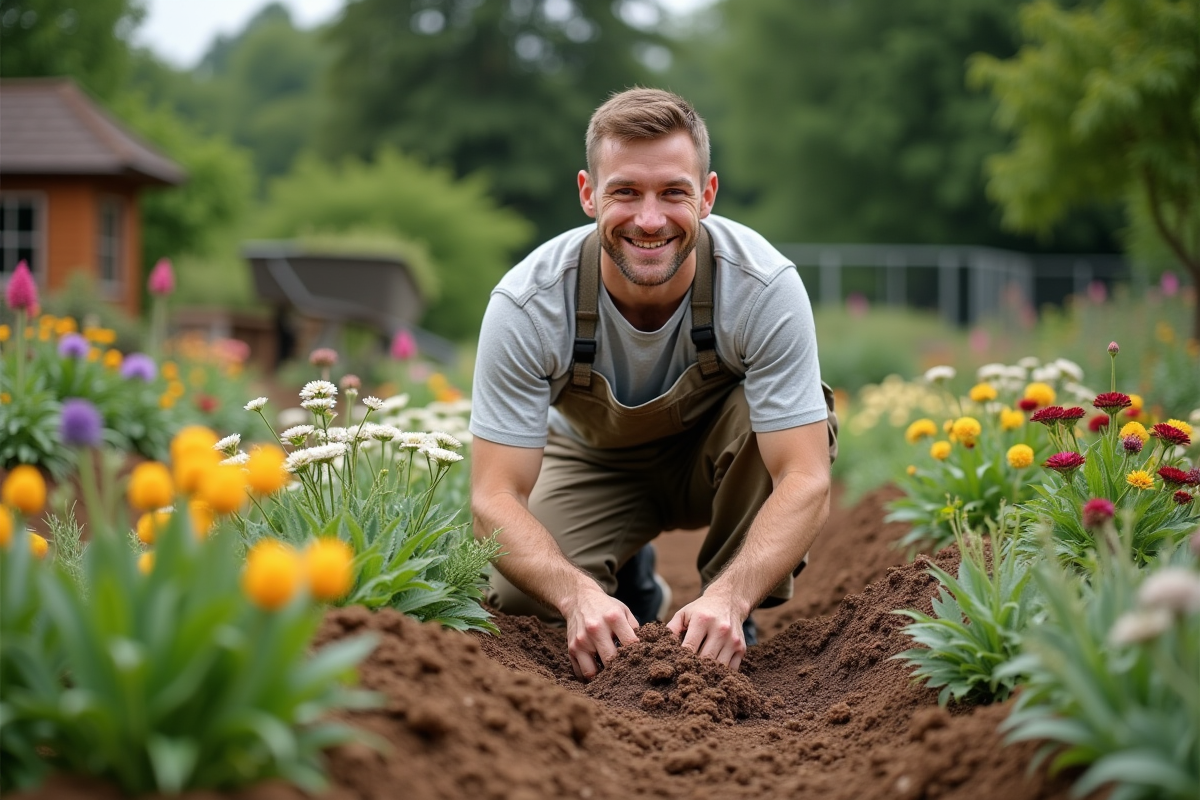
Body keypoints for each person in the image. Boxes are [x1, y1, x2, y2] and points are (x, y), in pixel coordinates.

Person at [469, 88, 837, 681]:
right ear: (588, 194)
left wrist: (731, 596)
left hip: (722, 461)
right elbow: (493, 498)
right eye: (624, 192)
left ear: (707, 196)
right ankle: (630, 589)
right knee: (518, 601)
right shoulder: (529, 304)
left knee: (778, 421)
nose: (648, 219)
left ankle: (724, 622)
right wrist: (571, 595)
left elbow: (806, 478)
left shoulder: (763, 287)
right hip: (597, 463)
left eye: (673, 192)